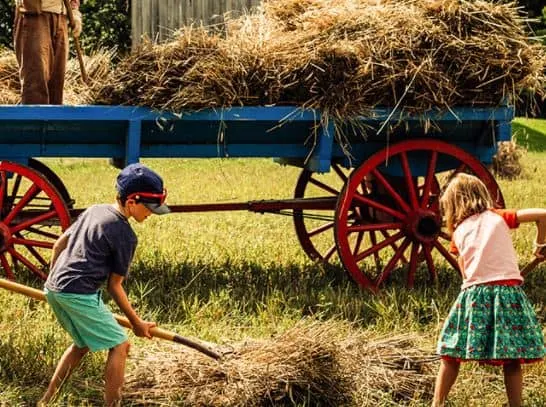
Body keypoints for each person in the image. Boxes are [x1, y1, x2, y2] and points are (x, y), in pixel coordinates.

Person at [38, 163, 170, 406]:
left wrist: (52, 281)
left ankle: (47, 400)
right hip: (77, 293)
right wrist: (136, 323)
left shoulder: (94, 210)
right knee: (120, 344)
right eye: (150, 208)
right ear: (132, 201)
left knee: (82, 344)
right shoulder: (125, 234)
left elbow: (59, 245)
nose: (151, 214)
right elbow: (114, 286)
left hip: (55, 288)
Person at [433, 173, 546, 407]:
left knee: (450, 353)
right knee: (512, 357)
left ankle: (437, 404)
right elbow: (543, 215)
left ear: (453, 204)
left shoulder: (458, 232)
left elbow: (466, 275)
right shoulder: (499, 217)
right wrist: (540, 245)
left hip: (474, 295)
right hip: (508, 293)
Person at [14, 0, 83, 104]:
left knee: (56, 85)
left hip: (61, 17)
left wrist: (75, 13)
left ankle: (53, 120)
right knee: (36, 82)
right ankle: (35, 119)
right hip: (35, 15)